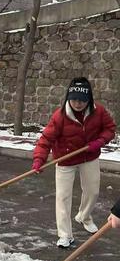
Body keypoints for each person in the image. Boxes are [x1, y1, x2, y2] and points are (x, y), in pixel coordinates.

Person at [32, 77, 116, 249]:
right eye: (74, 99)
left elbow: (110, 129)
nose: (78, 104)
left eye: (82, 100)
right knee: (63, 198)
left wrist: (100, 141)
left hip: (89, 157)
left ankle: (84, 217)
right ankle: (65, 235)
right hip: (65, 160)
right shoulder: (60, 116)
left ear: (89, 99)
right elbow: (46, 139)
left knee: (92, 191)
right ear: (68, 98)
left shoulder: (98, 111)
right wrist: (39, 159)